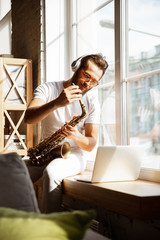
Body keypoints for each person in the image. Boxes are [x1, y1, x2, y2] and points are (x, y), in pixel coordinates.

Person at [24, 54, 108, 213]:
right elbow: (28, 118)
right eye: (86, 75)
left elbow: (91, 144)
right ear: (77, 68)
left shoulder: (92, 101)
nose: (87, 83)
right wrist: (56, 103)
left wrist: (76, 136)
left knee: (52, 172)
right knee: (11, 169)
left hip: (74, 155)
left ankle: (51, 229)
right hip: (45, 153)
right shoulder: (48, 88)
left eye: (94, 81)